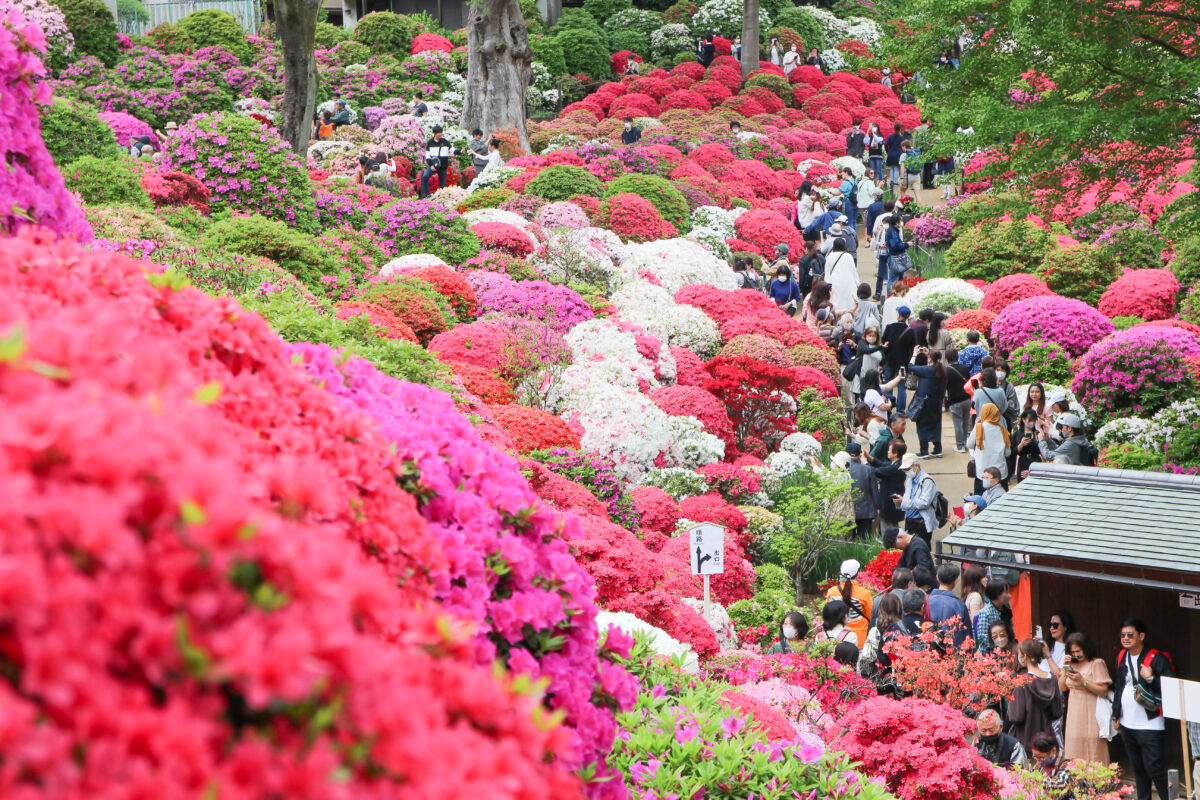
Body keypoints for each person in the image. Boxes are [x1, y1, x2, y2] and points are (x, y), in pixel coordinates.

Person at [1112, 619, 1175, 800]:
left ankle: (1167, 798)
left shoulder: (1157, 658)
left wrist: (1150, 678)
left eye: (1130, 635)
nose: (1125, 638)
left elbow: (1170, 689)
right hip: (1127, 722)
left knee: (1154, 767)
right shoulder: (1121, 656)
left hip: (1150, 723)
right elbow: (1119, 686)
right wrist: (1115, 714)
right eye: (1123, 635)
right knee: (1138, 768)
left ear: (1141, 636)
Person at [1059, 631, 1111, 764]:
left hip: (1091, 712)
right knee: (1074, 747)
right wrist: (1065, 669)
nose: (1076, 654)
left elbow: (1103, 691)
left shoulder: (1096, 663)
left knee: (1093, 747)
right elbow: (1062, 687)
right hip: (1074, 715)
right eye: (1073, 652)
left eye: (1079, 651)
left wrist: (1082, 680)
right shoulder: (1073, 664)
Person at [1008, 638, 1065, 753]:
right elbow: (1057, 713)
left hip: (1024, 739)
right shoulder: (1052, 679)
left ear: (1025, 656)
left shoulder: (1022, 682)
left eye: (1020, 654)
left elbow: (1016, 717)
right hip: (1046, 739)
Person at [825, 559, 874, 647]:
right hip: (859, 639)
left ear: (841, 573)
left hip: (835, 639)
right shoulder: (864, 593)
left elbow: (828, 614)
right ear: (857, 574)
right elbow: (870, 615)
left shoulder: (831, 592)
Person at [894, 453, 939, 546]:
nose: (905, 472)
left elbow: (924, 503)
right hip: (909, 522)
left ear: (916, 467)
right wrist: (900, 501)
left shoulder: (927, 481)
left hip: (921, 524)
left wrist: (903, 501)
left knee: (922, 550)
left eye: (907, 469)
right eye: (904, 470)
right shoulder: (909, 480)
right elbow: (907, 501)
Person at [909, 349, 947, 458]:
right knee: (936, 425)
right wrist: (929, 356)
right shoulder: (943, 369)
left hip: (924, 402)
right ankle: (937, 449)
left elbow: (910, 366)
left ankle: (924, 451)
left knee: (922, 425)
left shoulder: (927, 370)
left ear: (930, 358)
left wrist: (915, 354)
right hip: (937, 402)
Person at [858, 592, 902, 680]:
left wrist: (865, 674)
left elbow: (869, 651)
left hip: (878, 670)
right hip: (897, 671)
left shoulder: (874, 623)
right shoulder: (902, 625)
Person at [970, 403, 1011, 495]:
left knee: (980, 501)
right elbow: (1008, 453)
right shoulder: (1003, 429)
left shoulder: (979, 427)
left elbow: (969, 444)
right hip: (1000, 473)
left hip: (982, 472)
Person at [881, 305, 916, 412]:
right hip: (903, 363)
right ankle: (900, 411)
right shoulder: (910, 331)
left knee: (888, 384)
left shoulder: (889, 327)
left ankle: (888, 407)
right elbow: (913, 348)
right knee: (901, 386)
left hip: (889, 361)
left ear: (899, 315)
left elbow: (883, 343)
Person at [871, 440, 908, 539]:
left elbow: (876, 471)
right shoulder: (897, 463)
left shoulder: (895, 468)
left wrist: (864, 462)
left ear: (895, 453)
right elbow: (882, 464)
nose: (887, 451)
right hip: (892, 506)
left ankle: (890, 551)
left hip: (889, 506)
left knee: (888, 533)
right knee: (893, 529)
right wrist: (870, 458)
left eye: (889, 450)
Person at [926, 563, 970, 642]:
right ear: (956, 580)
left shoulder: (926, 601)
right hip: (954, 650)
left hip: (929, 648)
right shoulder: (959, 605)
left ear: (937, 578)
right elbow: (967, 636)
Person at [943, 348, 972, 453]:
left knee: (957, 423)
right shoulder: (964, 368)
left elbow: (945, 386)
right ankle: (965, 443)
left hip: (954, 400)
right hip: (967, 398)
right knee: (965, 422)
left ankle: (960, 446)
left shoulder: (946, 370)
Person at [849, 327, 885, 400]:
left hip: (875, 377)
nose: (871, 338)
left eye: (873, 336)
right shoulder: (862, 343)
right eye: (870, 335)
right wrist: (879, 347)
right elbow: (866, 350)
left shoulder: (879, 348)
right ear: (865, 336)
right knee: (860, 397)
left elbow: (883, 360)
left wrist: (882, 368)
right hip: (862, 376)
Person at [974, 580, 1010, 652]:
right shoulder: (986, 613)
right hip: (990, 655)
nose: (1008, 595)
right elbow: (983, 638)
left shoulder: (1007, 610)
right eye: (1005, 593)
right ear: (997, 595)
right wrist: (1001, 643)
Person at [419, 125, 454, 199]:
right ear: (434, 133)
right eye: (438, 133)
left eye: (441, 132)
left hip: (442, 166)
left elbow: (452, 149)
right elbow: (428, 155)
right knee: (425, 177)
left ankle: (442, 198)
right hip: (433, 165)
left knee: (442, 185)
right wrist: (431, 165)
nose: (440, 134)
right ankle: (427, 194)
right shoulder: (430, 142)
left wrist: (459, 151)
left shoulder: (445, 142)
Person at [825, 239, 858, 313]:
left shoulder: (829, 257)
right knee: (848, 304)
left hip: (835, 283)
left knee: (836, 305)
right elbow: (854, 271)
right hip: (848, 282)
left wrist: (828, 286)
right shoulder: (848, 256)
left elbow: (827, 274)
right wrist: (857, 284)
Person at [1012, 409, 1045, 481]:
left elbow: (1042, 450)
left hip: (1036, 461)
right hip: (1023, 462)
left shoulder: (1038, 433)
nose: (1032, 423)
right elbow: (1012, 452)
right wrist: (1021, 445)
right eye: (1029, 420)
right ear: (1023, 419)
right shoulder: (1017, 434)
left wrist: (1041, 439)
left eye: (1034, 420)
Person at [884, 215, 910, 290]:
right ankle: (890, 297)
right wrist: (906, 244)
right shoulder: (892, 232)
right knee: (893, 280)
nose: (902, 222)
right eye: (900, 220)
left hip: (896, 258)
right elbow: (895, 246)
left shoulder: (893, 231)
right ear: (896, 222)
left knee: (900, 279)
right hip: (895, 259)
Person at [885, 123, 905, 188]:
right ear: (900, 129)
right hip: (898, 154)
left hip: (891, 153)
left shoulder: (890, 136)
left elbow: (886, 144)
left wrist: (887, 151)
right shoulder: (901, 137)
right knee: (896, 168)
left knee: (892, 168)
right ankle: (895, 182)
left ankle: (892, 181)